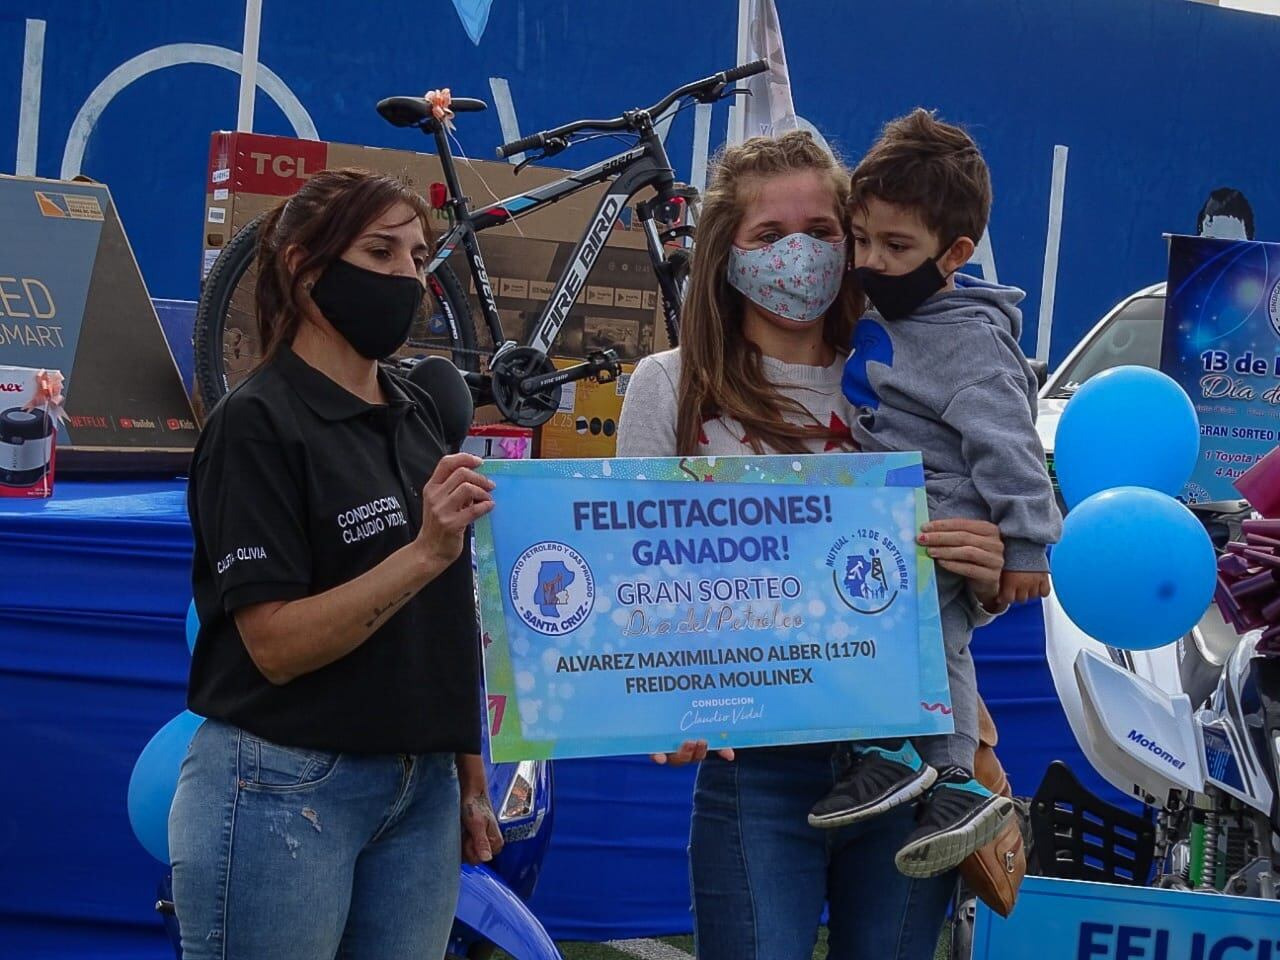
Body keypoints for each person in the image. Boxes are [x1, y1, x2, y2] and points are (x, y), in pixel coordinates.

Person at [617, 131, 1009, 960]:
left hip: (915, 757)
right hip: (756, 764)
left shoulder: (909, 373)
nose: (799, 253)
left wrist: (988, 564)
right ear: (727, 253)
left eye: (824, 231)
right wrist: (665, 693)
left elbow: (974, 569)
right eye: (768, 236)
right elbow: (635, 582)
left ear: (857, 236)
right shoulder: (669, 387)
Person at [169, 169, 502, 959]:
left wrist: (466, 773)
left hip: (418, 791)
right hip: (282, 785)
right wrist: (423, 551)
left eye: (419, 258)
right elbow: (276, 647)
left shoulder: (418, 411)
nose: (407, 279)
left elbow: (450, 616)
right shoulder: (255, 424)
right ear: (302, 265)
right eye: (380, 252)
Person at [807, 110, 1060, 880]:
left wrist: (1024, 546)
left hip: (938, 515)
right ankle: (946, 777)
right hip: (896, 510)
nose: (871, 261)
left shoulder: (968, 340)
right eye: (862, 240)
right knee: (929, 639)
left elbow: (1014, 447)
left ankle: (909, 759)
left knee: (920, 633)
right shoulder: (891, 314)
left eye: (896, 247)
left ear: (953, 254)